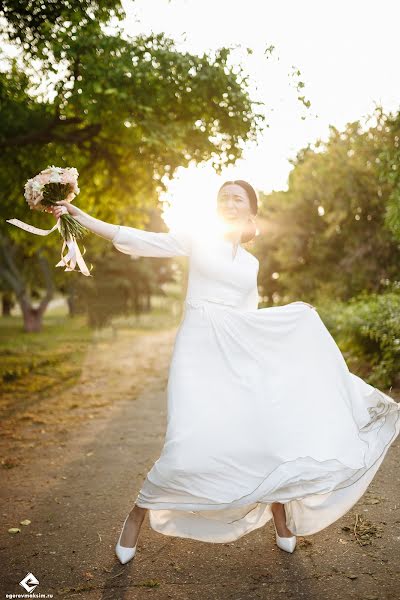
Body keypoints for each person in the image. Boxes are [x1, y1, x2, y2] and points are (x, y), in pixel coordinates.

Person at [52, 180, 400, 563]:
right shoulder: (197, 238)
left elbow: (247, 312)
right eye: (223, 198)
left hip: (236, 351)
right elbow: (138, 238)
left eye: (238, 198)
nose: (229, 203)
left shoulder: (251, 263)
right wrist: (80, 216)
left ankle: (280, 513)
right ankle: (138, 515)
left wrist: (286, 330)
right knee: (188, 437)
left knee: (259, 432)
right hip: (198, 346)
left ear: (252, 209)